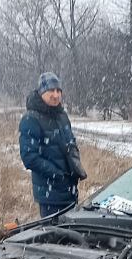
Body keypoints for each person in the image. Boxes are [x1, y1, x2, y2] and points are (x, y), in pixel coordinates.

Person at [19, 72, 85, 217]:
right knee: (54, 237)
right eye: (51, 91)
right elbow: (29, 157)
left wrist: (75, 167)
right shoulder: (30, 118)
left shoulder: (62, 115)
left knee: (73, 236)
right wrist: (57, 176)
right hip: (50, 195)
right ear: (41, 92)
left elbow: (71, 143)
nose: (55, 95)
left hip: (70, 190)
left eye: (58, 90)